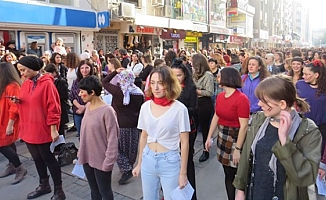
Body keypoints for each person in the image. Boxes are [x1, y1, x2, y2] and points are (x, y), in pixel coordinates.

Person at [233, 75, 321, 200]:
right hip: (254, 192)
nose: (259, 104)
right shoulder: (259, 119)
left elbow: (306, 177)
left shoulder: (308, 131)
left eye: (264, 100)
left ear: (282, 103)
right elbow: (247, 155)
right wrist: (240, 189)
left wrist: (285, 142)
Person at [132, 66, 190, 200]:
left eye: (160, 83)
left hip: (170, 161)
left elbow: (185, 142)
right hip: (148, 159)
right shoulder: (145, 107)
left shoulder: (179, 109)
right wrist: (139, 163)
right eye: (152, 83)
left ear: (169, 84)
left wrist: (183, 173)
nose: (156, 87)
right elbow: (144, 136)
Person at [16, 56, 65, 200]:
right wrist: (18, 100)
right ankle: (44, 185)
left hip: (43, 128)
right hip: (29, 127)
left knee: (49, 159)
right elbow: (28, 101)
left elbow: (54, 108)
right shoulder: (26, 83)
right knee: (37, 159)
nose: (22, 73)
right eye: (20, 70)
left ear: (33, 68)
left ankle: (59, 190)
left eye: (24, 70)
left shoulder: (47, 84)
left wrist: (53, 128)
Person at [205, 67, 250, 200]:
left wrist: (238, 148)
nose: (217, 78)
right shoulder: (220, 96)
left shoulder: (241, 99)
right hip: (223, 135)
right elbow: (216, 116)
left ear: (227, 78)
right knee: (228, 173)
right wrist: (209, 137)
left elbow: (244, 126)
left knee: (239, 174)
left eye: (219, 76)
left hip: (236, 137)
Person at [77, 75, 119, 200]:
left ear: (92, 92)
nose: (79, 94)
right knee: (94, 191)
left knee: (104, 192)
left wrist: (108, 161)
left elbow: (113, 139)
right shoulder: (88, 106)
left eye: (82, 92)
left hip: (102, 160)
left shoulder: (108, 111)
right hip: (87, 158)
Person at [102, 68, 144, 185]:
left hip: (120, 125)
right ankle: (128, 167)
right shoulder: (139, 93)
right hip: (134, 125)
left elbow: (104, 82)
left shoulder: (118, 91)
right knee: (131, 149)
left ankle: (126, 169)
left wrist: (115, 72)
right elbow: (141, 109)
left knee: (116, 148)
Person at [171, 59, 198, 200]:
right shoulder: (166, 88)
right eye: (173, 75)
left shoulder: (190, 88)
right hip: (170, 132)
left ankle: (190, 195)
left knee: (186, 163)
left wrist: (179, 110)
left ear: (185, 75)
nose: (176, 78)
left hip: (186, 130)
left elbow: (194, 109)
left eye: (179, 75)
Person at [0, 62, 27, 185]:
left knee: (3, 145)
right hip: (3, 120)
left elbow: (15, 107)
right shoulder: (5, 85)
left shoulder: (13, 86)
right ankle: (12, 164)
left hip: (9, 121)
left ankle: (19, 167)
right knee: (8, 144)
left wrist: (10, 124)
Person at [296, 60, 326, 153]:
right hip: (303, 123)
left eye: (307, 74)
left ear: (316, 75)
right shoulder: (299, 85)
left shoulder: (324, 87)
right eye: (303, 73)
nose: (303, 76)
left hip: (321, 125)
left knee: (317, 151)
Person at [192, 54, 214, 162]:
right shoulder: (194, 74)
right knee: (193, 127)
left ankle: (206, 150)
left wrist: (196, 91)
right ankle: (190, 148)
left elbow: (209, 92)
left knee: (205, 128)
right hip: (195, 102)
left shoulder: (208, 75)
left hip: (204, 103)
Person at [69, 60, 94, 138]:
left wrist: (84, 108)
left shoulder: (94, 81)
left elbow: (95, 96)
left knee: (91, 135)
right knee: (81, 135)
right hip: (78, 111)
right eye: (82, 68)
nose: (84, 70)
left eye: (87, 67)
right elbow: (72, 96)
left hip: (91, 111)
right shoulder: (76, 82)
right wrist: (80, 107)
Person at [44, 64, 69, 137]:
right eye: (46, 73)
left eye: (49, 73)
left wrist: (54, 96)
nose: (47, 75)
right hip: (53, 108)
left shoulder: (61, 81)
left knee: (60, 130)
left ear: (55, 72)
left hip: (60, 107)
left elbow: (64, 95)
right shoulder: (47, 82)